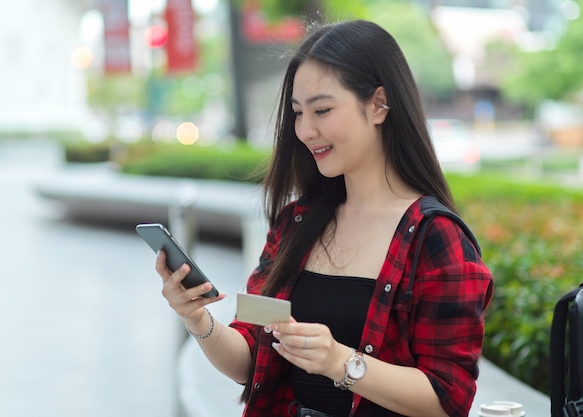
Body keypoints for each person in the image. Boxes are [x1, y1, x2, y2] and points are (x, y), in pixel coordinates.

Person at [156, 19, 493, 417]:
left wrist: (341, 363)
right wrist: (196, 317)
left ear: (379, 104)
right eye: (298, 113)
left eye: (322, 110)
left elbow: (447, 399)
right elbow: (250, 361)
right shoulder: (295, 223)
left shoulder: (434, 238)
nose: (305, 130)